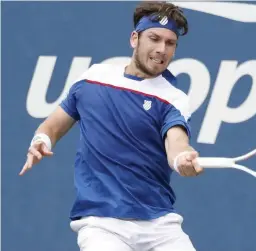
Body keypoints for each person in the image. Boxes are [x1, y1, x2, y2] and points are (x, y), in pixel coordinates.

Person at [19, 1, 203, 250]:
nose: (162, 49)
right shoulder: (92, 79)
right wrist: (41, 141)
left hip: (160, 225)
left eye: (170, 43)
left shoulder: (173, 98)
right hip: (101, 225)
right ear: (134, 39)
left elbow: (177, 143)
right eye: (154, 38)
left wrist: (182, 159)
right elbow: (52, 127)